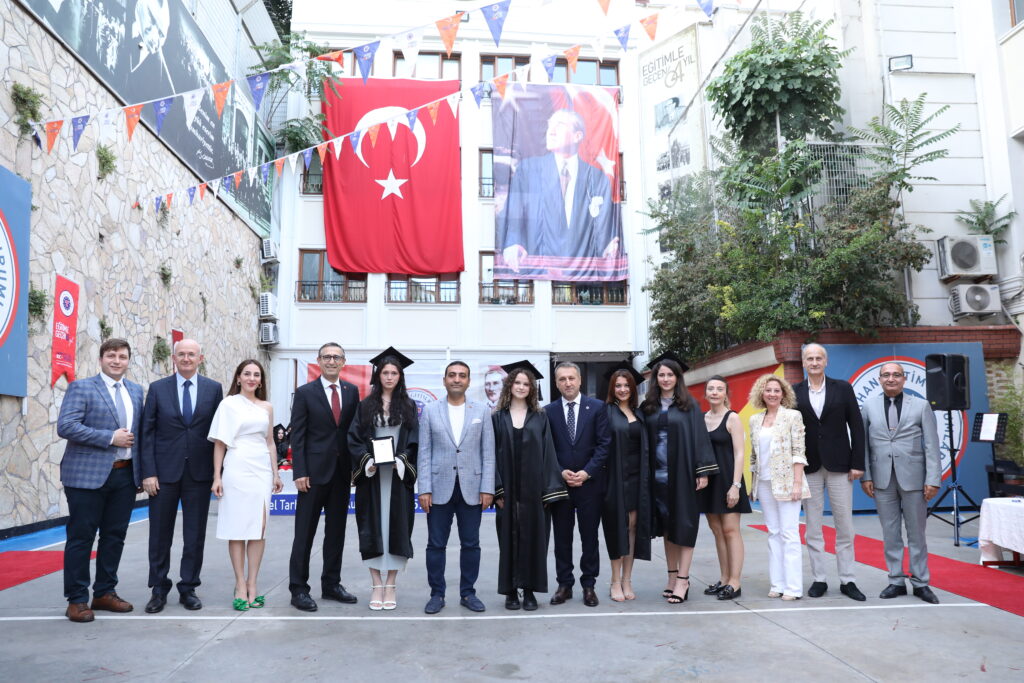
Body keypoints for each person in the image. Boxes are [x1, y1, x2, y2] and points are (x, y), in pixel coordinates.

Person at [57, 338, 145, 623]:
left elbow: (141, 434)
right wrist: (109, 438)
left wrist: (141, 472)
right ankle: (77, 599)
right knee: (81, 537)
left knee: (114, 536)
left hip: (125, 475)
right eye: (111, 356)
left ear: (128, 360)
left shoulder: (136, 391)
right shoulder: (81, 387)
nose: (117, 361)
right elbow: (66, 426)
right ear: (101, 359)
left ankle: (105, 592)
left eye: (122, 356)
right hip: (86, 477)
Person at [140, 339, 223, 614]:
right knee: (159, 534)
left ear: (201, 358)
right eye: (181, 354)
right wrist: (148, 472)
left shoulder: (213, 389)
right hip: (163, 474)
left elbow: (219, 433)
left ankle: (188, 587)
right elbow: (147, 433)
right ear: (173, 359)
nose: (186, 358)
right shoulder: (158, 389)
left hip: (199, 473)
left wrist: (218, 473)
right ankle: (158, 588)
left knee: (194, 535)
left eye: (191, 354)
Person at [287, 342, 361, 612]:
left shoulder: (351, 392)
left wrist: (355, 468)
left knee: (336, 533)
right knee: (304, 534)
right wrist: (300, 471)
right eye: (327, 357)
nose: (331, 361)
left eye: (336, 357)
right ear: (318, 361)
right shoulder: (305, 393)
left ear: (343, 362)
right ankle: (298, 588)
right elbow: (298, 435)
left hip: (341, 474)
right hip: (312, 476)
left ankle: (331, 584)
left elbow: (353, 433)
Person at [418, 359, 496, 614]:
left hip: (472, 488)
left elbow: (488, 453)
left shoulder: (482, 411)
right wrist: (424, 489)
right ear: (444, 380)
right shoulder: (430, 411)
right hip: (438, 488)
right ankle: (437, 594)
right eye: (452, 375)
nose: (457, 379)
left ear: (468, 381)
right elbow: (424, 452)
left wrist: (487, 488)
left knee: (471, 544)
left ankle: (468, 593)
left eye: (462, 375)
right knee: (435, 544)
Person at [499, 109, 620, 271]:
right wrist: (513, 243)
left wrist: (609, 244)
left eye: (560, 125)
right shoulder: (528, 170)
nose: (551, 131)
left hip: (582, 273)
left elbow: (604, 223)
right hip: (538, 269)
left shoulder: (596, 178)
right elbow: (514, 212)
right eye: (550, 126)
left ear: (577, 136)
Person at [861, 362, 942, 604]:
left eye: (896, 375)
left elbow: (932, 445)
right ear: (879, 379)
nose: (891, 379)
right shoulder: (868, 406)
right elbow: (863, 445)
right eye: (886, 375)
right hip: (882, 479)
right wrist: (866, 476)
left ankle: (920, 582)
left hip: (915, 479)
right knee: (890, 533)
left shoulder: (920, 405)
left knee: (917, 533)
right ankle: (895, 580)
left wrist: (933, 479)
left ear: (904, 379)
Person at [640, 352, 718, 605]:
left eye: (670, 375)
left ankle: (683, 580)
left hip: (682, 475)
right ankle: (672, 576)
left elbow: (700, 438)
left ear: (677, 378)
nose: (665, 379)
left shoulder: (689, 405)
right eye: (661, 375)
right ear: (655, 378)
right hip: (656, 478)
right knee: (667, 528)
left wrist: (702, 470)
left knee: (684, 526)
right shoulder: (648, 407)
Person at [793, 343, 867, 602]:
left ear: (826, 361)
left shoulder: (843, 388)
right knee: (813, 526)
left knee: (844, 526)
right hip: (809, 466)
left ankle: (848, 579)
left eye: (818, 358)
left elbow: (856, 426)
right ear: (804, 363)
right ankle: (819, 579)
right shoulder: (794, 392)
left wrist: (858, 462)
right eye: (809, 358)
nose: (814, 362)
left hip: (840, 465)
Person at [492, 361, 567, 610]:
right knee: (508, 538)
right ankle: (510, 591)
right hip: (507, 488)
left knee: (535, 539)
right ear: (509, 385)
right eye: (517, 382)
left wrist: (548, 491)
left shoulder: (540, 417)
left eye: (526, 384)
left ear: (532, 388)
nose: (521, 387)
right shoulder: (498, 417)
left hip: (534, 489)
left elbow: (549, 453)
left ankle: (530, 590)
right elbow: (490, 454)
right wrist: (497, 489)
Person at [349, 348, 419, 611]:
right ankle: (376, 584)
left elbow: (414, 441)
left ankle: (391, 584)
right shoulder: (365, 406)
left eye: (394, 373)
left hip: (397, 477)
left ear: (400, 377)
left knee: (397, 530)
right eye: (385, 372)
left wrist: (402, 459)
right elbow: (354, 439)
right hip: (372, 477)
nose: (389, 377)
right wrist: (367, 460)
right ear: (378, 376)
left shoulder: (409, 406)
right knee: (372, 528)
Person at [209, 359, 282, 610]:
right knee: (237, 528)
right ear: (238, 378)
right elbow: (220, 443)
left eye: (256, 375)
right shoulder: (228, 404)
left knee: (259, 529)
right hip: (237, 467)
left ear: (261, 381)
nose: (252, 378)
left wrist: (276, 474)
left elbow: (270, 442)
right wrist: (217, 476)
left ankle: (253, 583)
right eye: (247, 374)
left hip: (261, 470)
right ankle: (240, 584)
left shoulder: (267, 407)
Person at [545, 361, 611, 607]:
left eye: (571, 378)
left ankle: (589, 585)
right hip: (561, 485)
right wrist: (560, 471)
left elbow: (604, 445)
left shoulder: (597, 407)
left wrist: (586, 472)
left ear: (580, 380)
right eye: (562, 379)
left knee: (589, 537)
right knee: (562, 538)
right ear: (556, 383)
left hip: (590, 485)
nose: (568, 383)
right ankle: (564, 584)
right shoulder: (548, 411)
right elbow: (547, 448)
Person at [748, 374, 811, 601]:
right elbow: (754, 456)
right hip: (764, 483)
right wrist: (753, 484)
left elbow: (799, 451)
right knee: (773, 532)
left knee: (789, 533)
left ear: (783, 394)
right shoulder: (755, 420)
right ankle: (777, 584)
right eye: (768, 390)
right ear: (761, 393)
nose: (772, 394)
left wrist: (797, 483)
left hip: (788, 483)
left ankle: (793, 588)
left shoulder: (792, 416)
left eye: (776, 390)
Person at [601, 363, 652, 602]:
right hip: (614, 478)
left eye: (626, 385)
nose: (622, 389)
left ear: (633, 388)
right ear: (612, 388)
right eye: (618, 386)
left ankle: (627, 579)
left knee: (633, 527)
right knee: (617, 528)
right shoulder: (605, 412)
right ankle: (614, 580)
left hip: (637, 478)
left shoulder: (639, 413)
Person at [698, 375, 751, 601]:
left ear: (725, 393)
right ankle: (724, 578)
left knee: (730, 530)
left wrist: (735, 485)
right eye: (711, 388)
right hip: (709, 482)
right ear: (705, 393)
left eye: (719, 389)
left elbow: (739, 453)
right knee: (717, 530)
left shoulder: (733, 418)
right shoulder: (701, 419)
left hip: (729, 480)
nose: (715, 392)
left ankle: (735, 582)